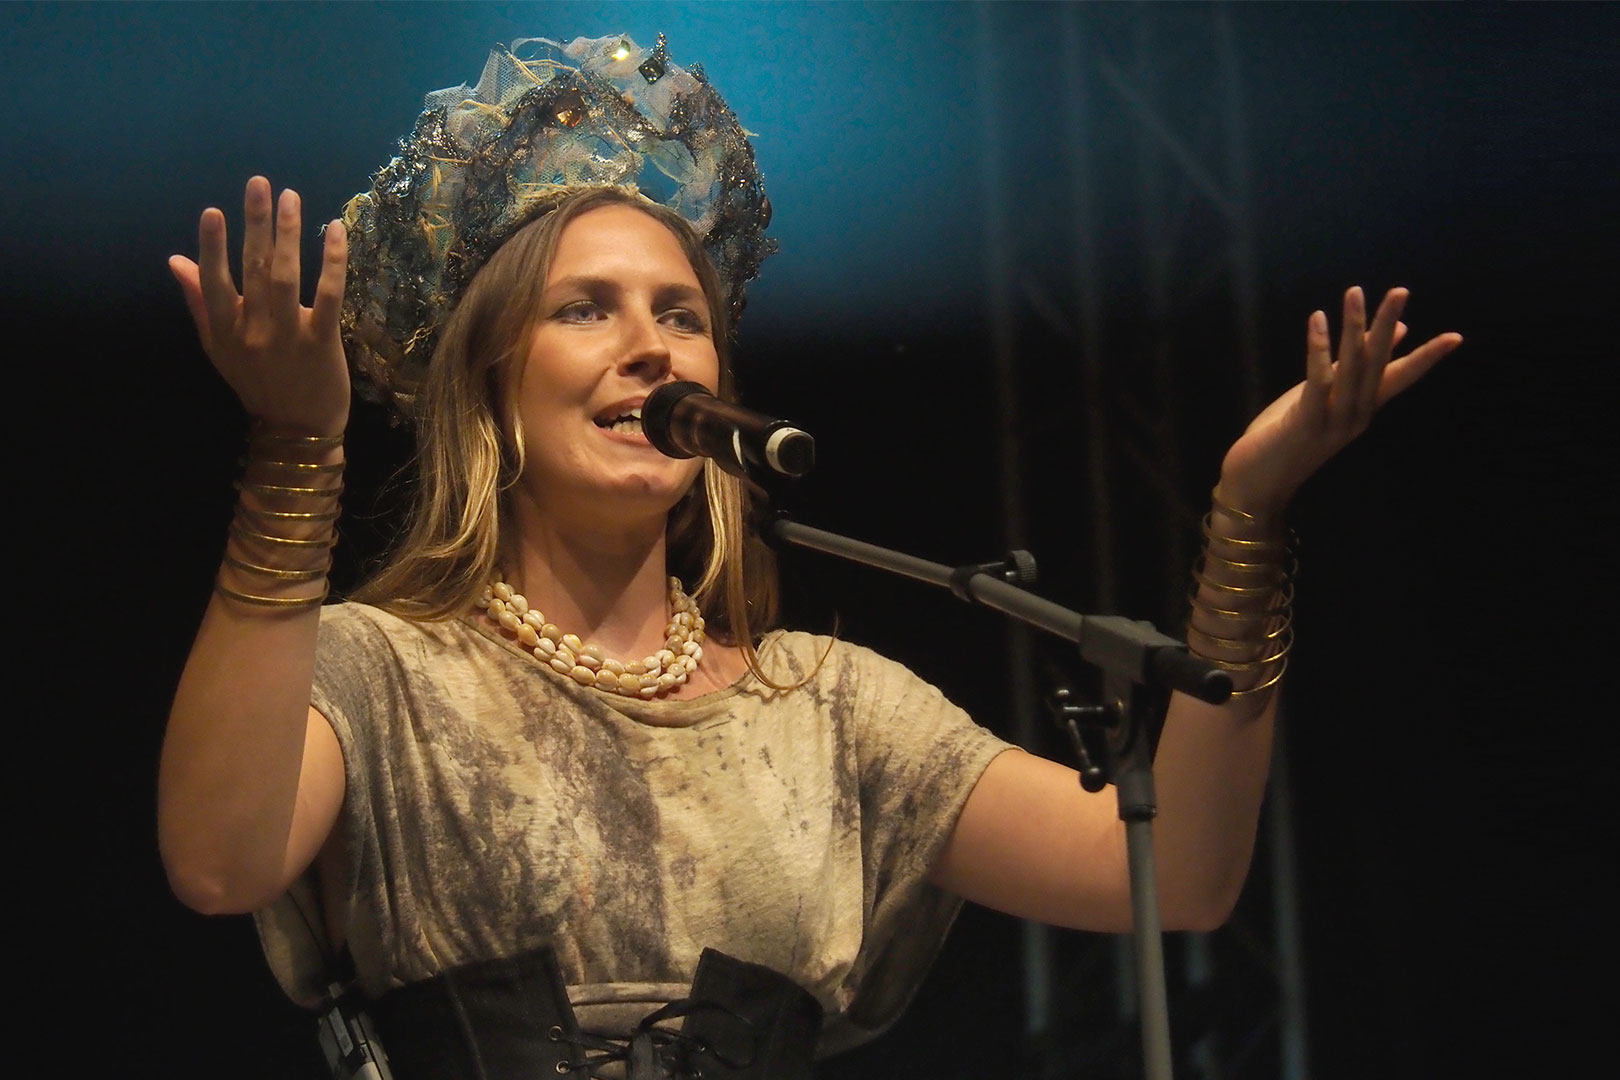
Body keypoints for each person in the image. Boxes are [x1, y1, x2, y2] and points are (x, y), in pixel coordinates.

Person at [157, 34, 1462, 1080]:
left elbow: (1182, 875)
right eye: (586, 309)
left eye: (682, 315)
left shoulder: (830, 713)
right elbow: (220, 862)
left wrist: (1248, 517)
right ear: (492, 384)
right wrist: (297, 450)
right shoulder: (382, 675)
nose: (652, 345)